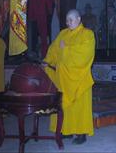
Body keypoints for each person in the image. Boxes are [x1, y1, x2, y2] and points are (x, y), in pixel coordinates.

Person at [42, 9, 95, 144]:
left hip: (79, 78)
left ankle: (81, 133)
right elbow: (54, 49)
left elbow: (85, 54)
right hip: (63, 78)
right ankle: (65, 130)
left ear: (78, 19)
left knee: (79, 107)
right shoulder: (63, 34)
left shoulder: (87, 34)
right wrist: (47, 61)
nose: (68, 23)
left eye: (71, 20)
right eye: (66, 20)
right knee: (64, 105)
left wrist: (66, 49)